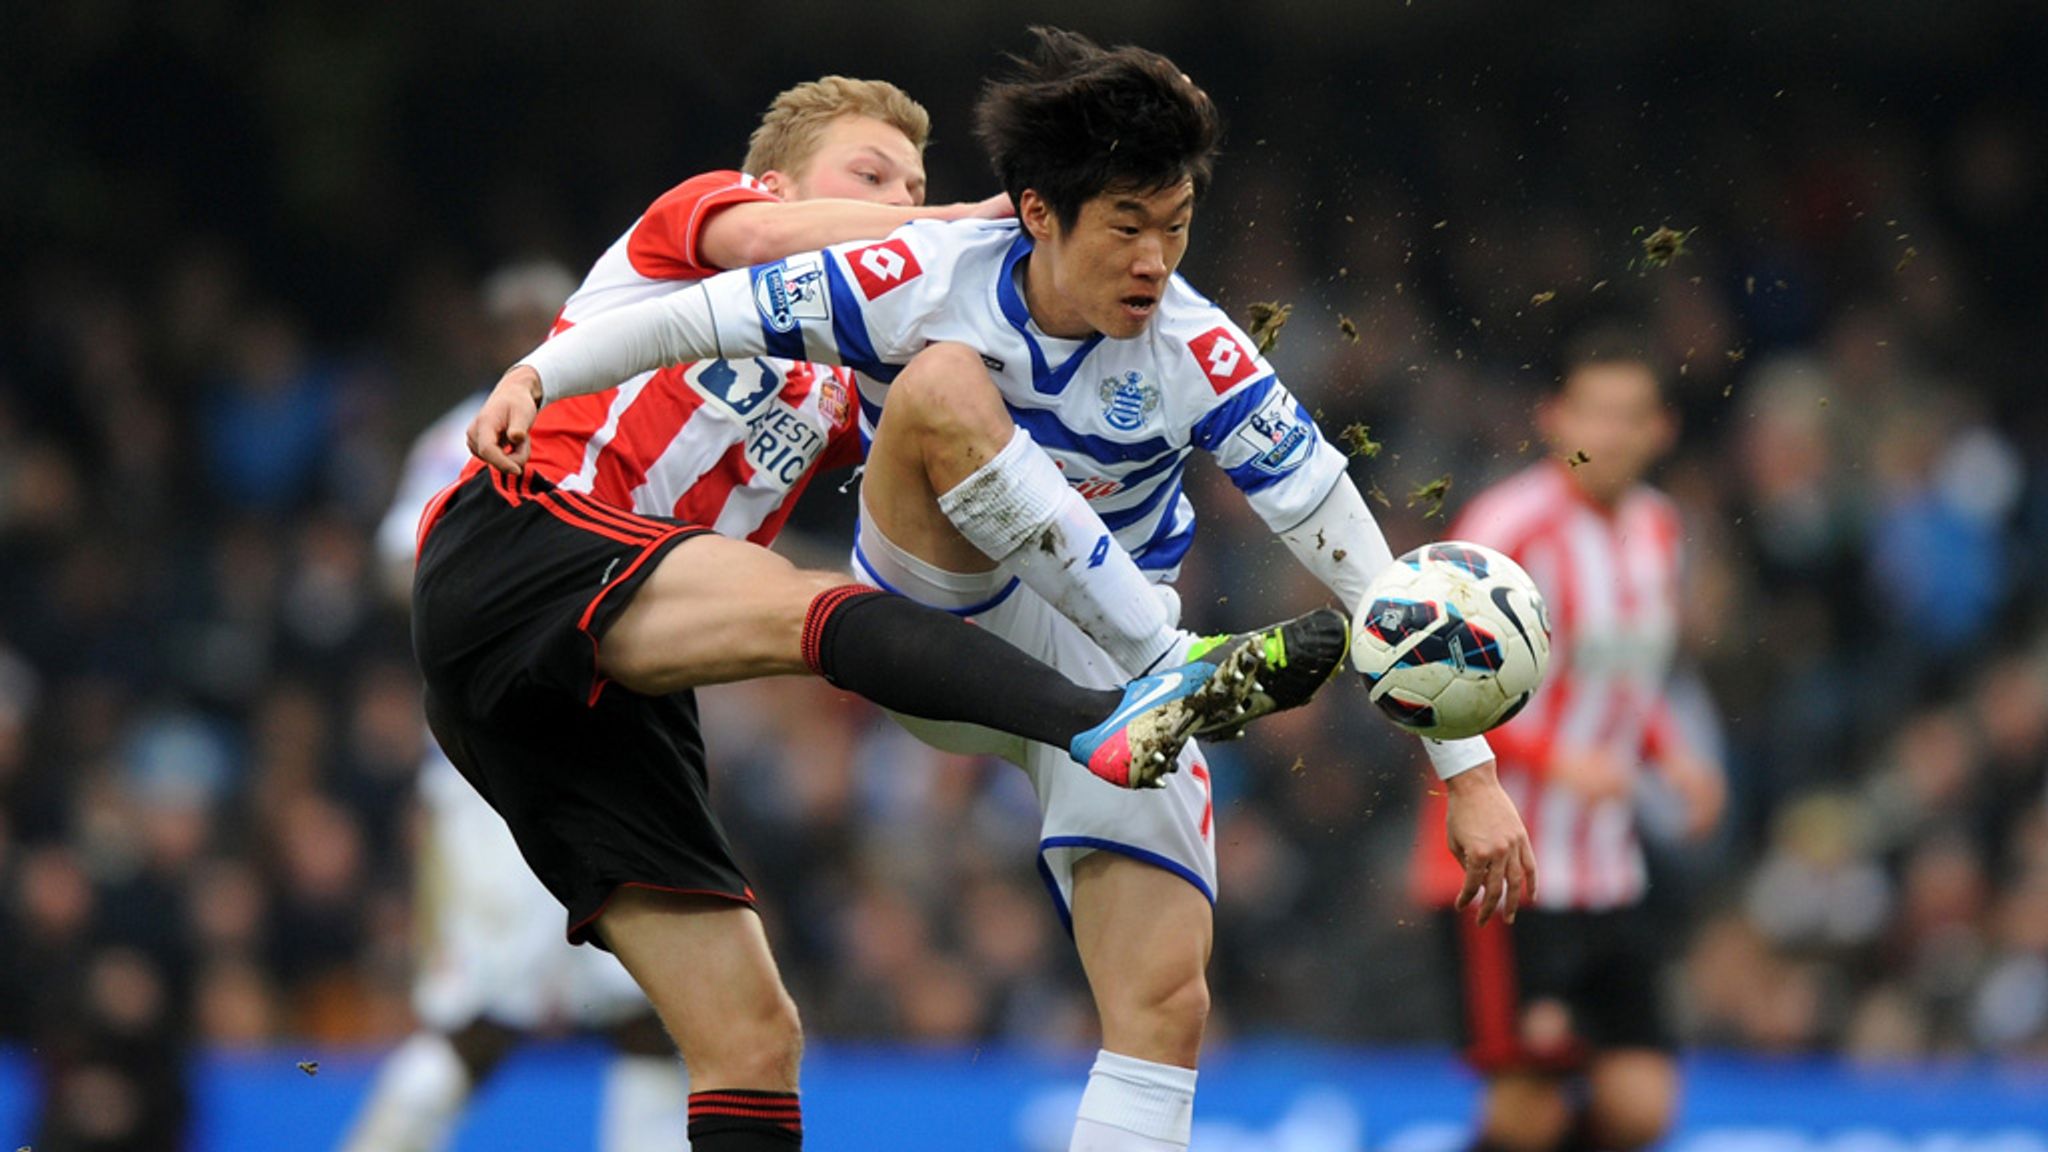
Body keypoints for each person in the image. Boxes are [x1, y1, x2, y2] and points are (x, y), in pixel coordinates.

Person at [475, 29, 1535, 1151]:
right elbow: (699, 314)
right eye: (1125, 228)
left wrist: (1466, 775)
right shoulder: (919, 278)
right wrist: (539, 372)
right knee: (938, 380)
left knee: (1165, 1008)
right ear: (1038, 215)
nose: (1153, 261)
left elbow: (1339, 541)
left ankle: (1152, 680)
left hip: (1102, 673)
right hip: (949, 606)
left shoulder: (1199, 350)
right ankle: (1164, 665)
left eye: (1174, 229)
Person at [343, 261, 687, 1152]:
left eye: (553, 315)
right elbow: (394, 565)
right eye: (518, 322)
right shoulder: (464, 433)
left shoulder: (625, 425)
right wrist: (511, 585)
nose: (537, 333)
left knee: (649, 1007)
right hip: (498, 759)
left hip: (613, 748)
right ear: (490, 341)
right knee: (483, 1018)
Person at [1407, 324, 1726, 1152]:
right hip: (1507, 868)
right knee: (1528, 1112)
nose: (1610, 435)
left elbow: (1625, 676)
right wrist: (1556, 761)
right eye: (1594, 412)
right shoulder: (1506, 527)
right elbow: (1433, 685)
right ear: (1554, 418)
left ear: (1663, 430)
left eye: (1630, 416)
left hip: (1609, 865)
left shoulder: (1658, 528)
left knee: (1640, 1105)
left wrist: (1673, 756)